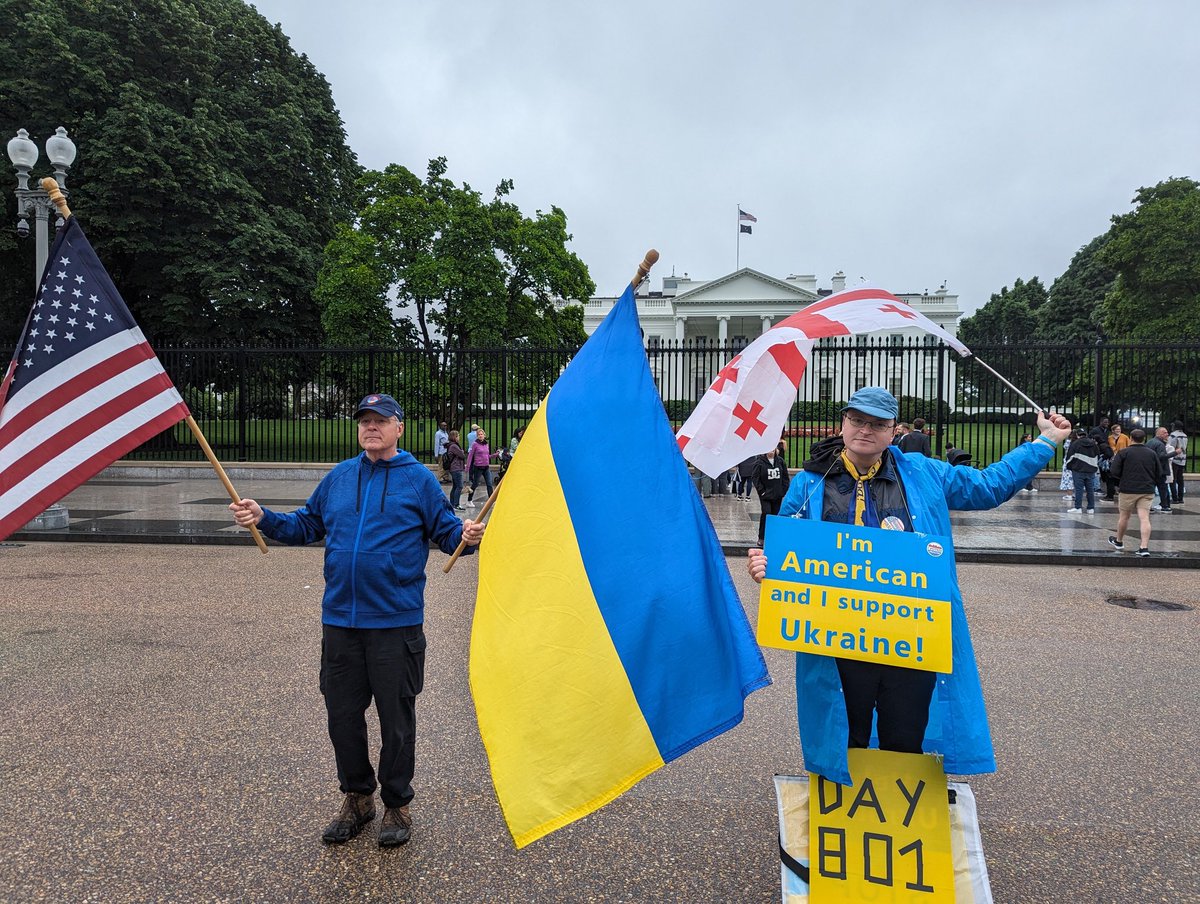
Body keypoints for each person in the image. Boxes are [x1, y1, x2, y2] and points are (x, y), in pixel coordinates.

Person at [746, 386, 1070, 786]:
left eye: (877, 423)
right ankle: (846, 812)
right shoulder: (811, 482)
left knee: (905, 730)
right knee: (848, 727)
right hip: (838, 635)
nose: (865, 429)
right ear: (844, 423)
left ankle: (897, 811)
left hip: (910, 633)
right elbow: (785, 548)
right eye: (858, 420)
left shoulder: (924, 472)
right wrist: (765, 565)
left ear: (892, 430)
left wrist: (1044, 442)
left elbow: (988, 486)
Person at [228, 393, 485, 847]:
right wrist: (264, 517)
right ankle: (357, 798)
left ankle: (397, 805)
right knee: (342, 716)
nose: (371, 427)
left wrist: (467, 535)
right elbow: (306, 525)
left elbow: (446, 533)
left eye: (380, 420)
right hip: (341, 623)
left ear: (399, 428)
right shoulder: (340, 477)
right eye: (365, 421)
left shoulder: (418, 482)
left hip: (395, 623)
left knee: (396, 720)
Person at [1107, 427, 1162, 558]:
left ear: (1130, 438)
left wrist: (1124, 478)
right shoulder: (1151, 453)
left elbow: (1114, 471)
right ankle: (1144, 547)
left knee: (1124, 517)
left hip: (1128, 489)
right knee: (1144, 518)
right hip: (1146, 490)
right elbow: (1159, 472)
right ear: (1144, 439)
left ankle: (1119, 541)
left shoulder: (1123, 452)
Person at [751, 441, 791, 546]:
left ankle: (773, 536)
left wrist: (783, 490)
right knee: (766, 513)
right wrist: (762, 491)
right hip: (765, 495)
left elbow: (785, 477)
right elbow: (755, 478)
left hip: (777, 494)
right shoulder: (760, 462)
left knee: (775, 515)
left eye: (773, 449)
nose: (771, 452)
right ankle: (762, 537)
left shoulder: (780, 461)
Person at [1064, 428, 1100, 513]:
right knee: (1090, 489)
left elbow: (1069, 457)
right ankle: (1091, 508)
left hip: (1078, 469)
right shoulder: (1093, 443)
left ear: (1077, 435)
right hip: (1091, 469)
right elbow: (1097, 455)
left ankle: (1078, 507)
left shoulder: (1075, 443)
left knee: (1079, 489)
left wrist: (1070, 466)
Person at [466, 427, 500, 503]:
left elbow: (487, 456)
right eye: (479, 434)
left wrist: (495, 455)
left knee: (489, 483)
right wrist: (467, 467)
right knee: (475, 484)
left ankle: (491, 501)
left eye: (481, 434)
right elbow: (470, 455)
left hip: (486, 467)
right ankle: (469, 500)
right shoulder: (475, 444)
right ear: (477, 436)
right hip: (478, 467)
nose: (480, 436)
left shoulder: (486, 444)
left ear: (484, 435)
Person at [1146, 427, 1174, 513]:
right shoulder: (1160, 444)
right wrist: (1175, 453)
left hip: (1150, 470)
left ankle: (1148, 506)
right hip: (1160, 470)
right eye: (1165, 433)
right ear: (1159, 434)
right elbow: (1161, 457)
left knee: (1150, 489)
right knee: (1163, 489)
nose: (1167, 434)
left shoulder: (1149, 442)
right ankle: (1165, 506)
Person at [444, 429, 467, 510]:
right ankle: (456, 504)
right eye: (458, 436)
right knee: (459, 486)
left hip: (454, 468)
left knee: (455, 486)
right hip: (456, 468)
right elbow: (462, 455)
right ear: (455, 437)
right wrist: (462, 452)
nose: (459, 437)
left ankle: (452, 504)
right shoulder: (454, 446)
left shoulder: (452, 445)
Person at [1168, 421, 1188, 505]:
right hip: (1182, 459)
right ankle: (1181, 498)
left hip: (1175, 459)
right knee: (1180, 479)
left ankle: (1175, 498)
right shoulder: (1185, 435)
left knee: (1173, 479)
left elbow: (1171, 447)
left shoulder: (1173, 435)